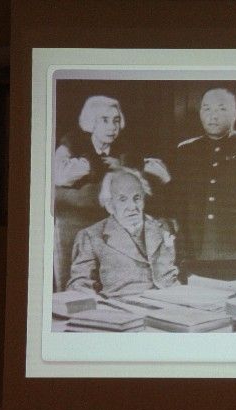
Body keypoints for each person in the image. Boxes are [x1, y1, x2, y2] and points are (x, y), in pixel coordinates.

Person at [53, 95, 170, 290]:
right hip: (75, 224)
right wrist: (97, 165)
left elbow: (161, 175)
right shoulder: (73, 142)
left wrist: (125, 166)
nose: (112, 127)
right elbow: (57, 175)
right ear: (91, 122)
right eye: (105, 120)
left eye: (116, 121)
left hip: (114, 227)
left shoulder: (124, 147)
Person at [170, 88, 236, 281]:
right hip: (199, 256)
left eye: (221, 109)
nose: (213, 116)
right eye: (207, 109)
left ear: (235, 113)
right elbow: (180, 205)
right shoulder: (186, 151)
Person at [67, 168, 178, 297]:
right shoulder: (91, 236)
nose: (132, 207)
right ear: (110, 205)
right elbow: (79, 285)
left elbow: (176, 275)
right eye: (123, 199)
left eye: (137, 198)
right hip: (120, 304)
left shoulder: (162, 228)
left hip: (165, 300)